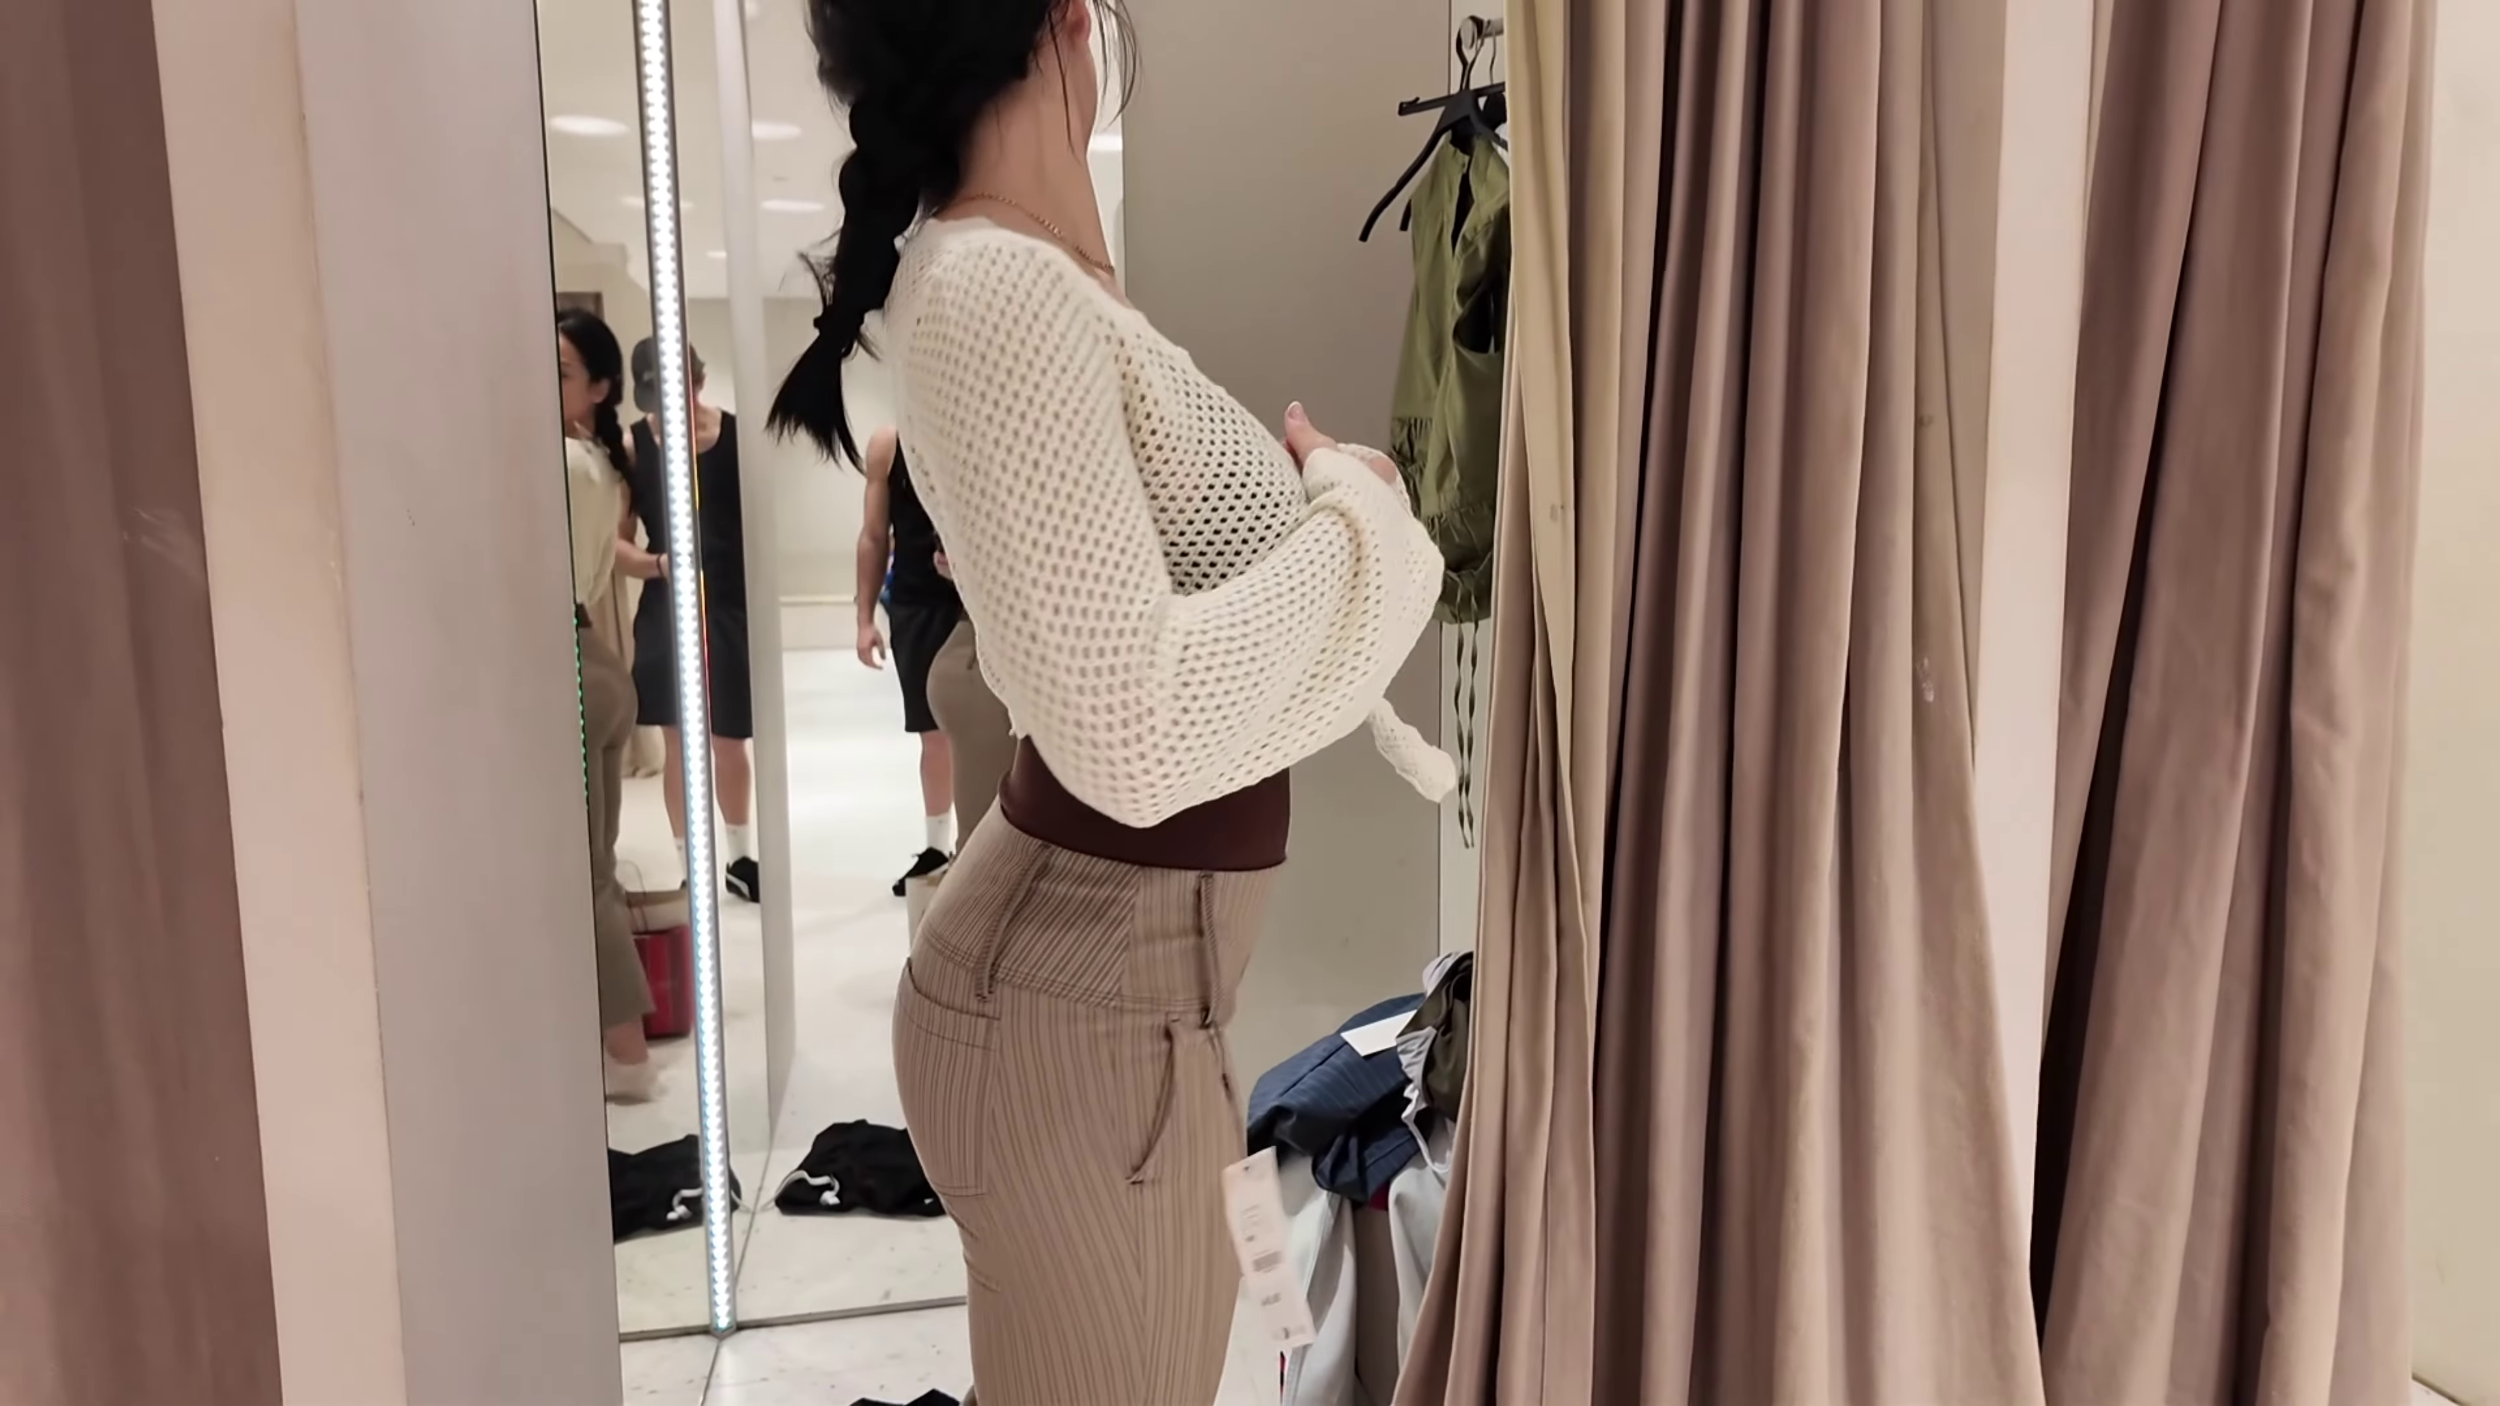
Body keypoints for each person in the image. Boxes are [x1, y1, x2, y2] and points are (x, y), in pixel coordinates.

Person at [766, 1, 1452, 1400]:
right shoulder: (994, 290)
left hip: (1118, 996)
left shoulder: (1032, 281)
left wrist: (1352, 542)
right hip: (1086, 1004)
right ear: (1071, 22)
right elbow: (1135, 731)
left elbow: (1166, 683)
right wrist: (1358, 521)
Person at [555, 309, 660, 1104]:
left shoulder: (560, 461)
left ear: (597, 388)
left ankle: (626, 1056)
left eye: (559, 372)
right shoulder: (595, 461)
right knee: (596, 866)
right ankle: (617, 1049)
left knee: (585, 874)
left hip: (569, 662)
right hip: (594, 658)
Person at [616, 339, 760, 902]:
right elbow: (617, 545)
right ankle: (689, 864)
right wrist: (659, 564)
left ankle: (741, 856)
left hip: (728, 602)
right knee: (679, 741)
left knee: (729, 737)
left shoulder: (736, 436)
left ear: (698, 379)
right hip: (667, 604)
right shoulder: (633, 447)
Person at [854, 426, 960, 895]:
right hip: (917, 603)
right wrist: (864, 617)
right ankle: (938, 847)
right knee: (932, 733)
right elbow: (874, 535)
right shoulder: (888, 446)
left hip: (980, 602)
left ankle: (980, 846)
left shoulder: (984, 427)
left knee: (987, 732)